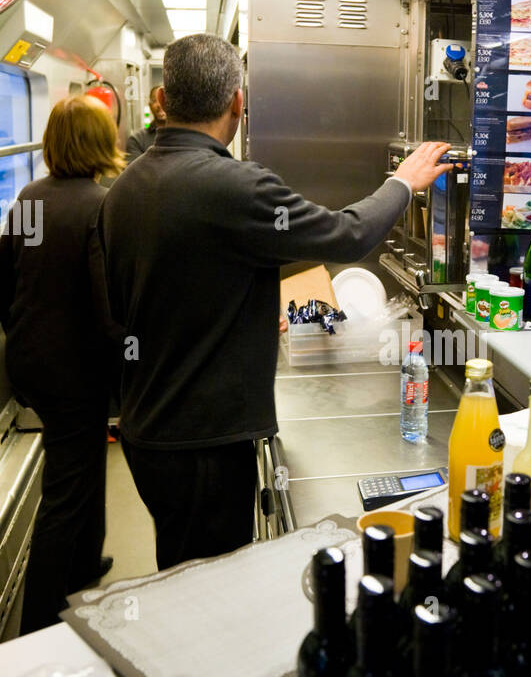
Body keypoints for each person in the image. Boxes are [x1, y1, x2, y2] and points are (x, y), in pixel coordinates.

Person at [99, 33, 452, 571]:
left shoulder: (125, 187)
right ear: (237, 102)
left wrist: (243, 313)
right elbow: (349, 234)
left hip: (148, 431)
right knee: (214, 587)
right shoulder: (234, 186)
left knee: (180, 573)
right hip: (206, 444)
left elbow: (141, 301)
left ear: (164, 100)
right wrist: (403, 182)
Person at [0, 96, 124, 633]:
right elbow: (105, 300)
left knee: (80, 457)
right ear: (100, 144)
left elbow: (5, 280)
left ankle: (84, 560)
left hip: (31, 359)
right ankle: (39, 623)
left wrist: (23, 333)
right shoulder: (102, 205)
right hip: (77, 367)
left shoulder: (28, 199)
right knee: (64, 489)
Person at [125, 86, 166, 162]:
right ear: (150, 106)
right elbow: (136, 172)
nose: (159, 105)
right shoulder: (137, 140)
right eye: (154, 101)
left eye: (163, 99)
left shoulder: (184, 136)